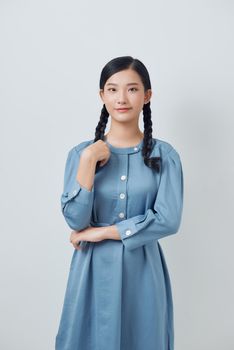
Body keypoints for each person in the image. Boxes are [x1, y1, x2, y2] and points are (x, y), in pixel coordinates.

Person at [55, 55, 184, 350]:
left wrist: (101, 232)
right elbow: (75, 220)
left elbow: (168, 219)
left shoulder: (165, 157)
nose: (121, 98)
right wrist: (89, 161)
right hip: (91, 270)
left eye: (132, 89)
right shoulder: (80, 154)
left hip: (143, 271)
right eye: (112, 89)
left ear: (147, 95)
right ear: (102, 95)